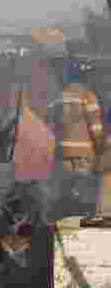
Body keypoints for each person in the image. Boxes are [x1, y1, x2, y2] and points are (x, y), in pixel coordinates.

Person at [55, 56, 103, 214]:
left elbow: (55, 122)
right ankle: (81, 217)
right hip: (83, 152)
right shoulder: (88, 95)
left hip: (64, 152)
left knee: (68, 187)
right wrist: (100, 146)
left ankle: (66, 216)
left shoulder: (62, 95)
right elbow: (95, 126)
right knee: (83, 187)